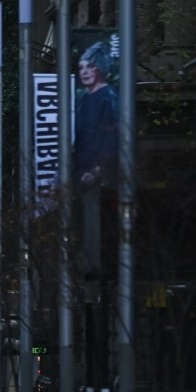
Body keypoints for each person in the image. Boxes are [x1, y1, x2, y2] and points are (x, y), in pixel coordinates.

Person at [73, 41, 118, 275]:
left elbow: (112, 137)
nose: (84, 71)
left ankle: (95, 268)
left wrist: (98, 169)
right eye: (81, 67)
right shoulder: (83, 98)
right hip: (82, 172)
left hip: (97, 174)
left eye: (89, 66)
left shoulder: (108, 97)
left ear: (99, 68)